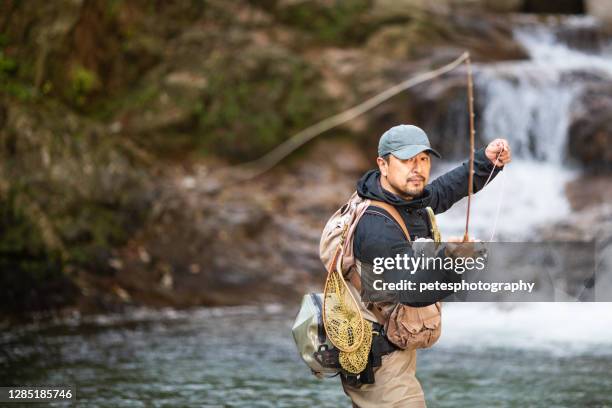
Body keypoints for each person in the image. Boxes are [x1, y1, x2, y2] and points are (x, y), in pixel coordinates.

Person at [342, 124, 512, 407]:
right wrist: (452, 260)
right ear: (383, 164)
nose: (417, 168)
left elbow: (443, 191)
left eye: (423, 159)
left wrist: (485, 162)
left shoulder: (397, 198)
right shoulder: (377, 226)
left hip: (383, 350)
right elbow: (411, 291)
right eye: (407, 160)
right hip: (380, 365)